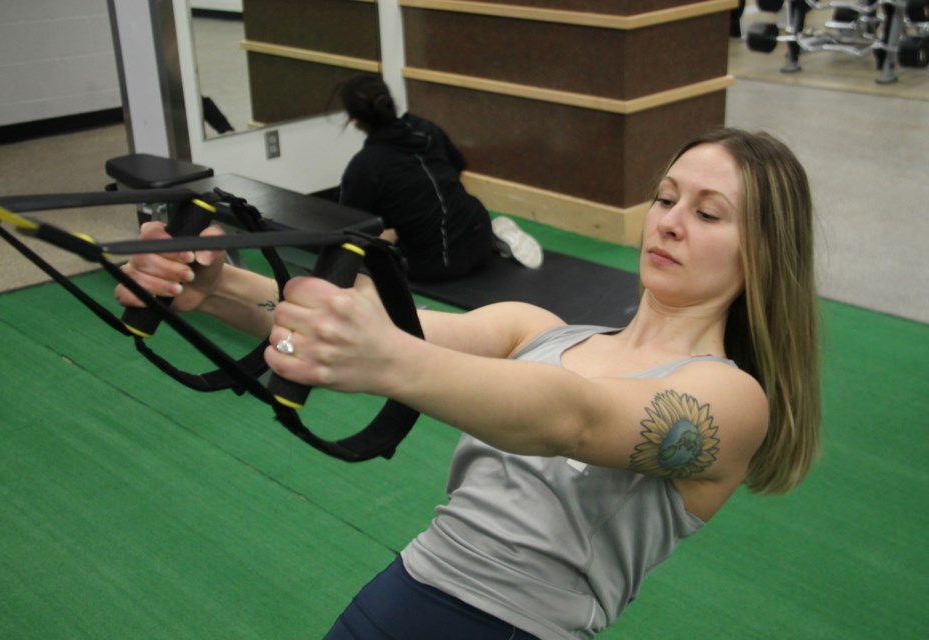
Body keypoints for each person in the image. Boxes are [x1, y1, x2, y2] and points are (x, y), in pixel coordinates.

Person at [115, 127, 822, 639]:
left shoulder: (730, 402)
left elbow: (573, 418)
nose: (669, 223)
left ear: (762, 251)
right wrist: (213, 285)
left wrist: (390, 359)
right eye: (667, 199)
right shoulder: (534, 328)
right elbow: (388, 328)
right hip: (403, 590)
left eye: (705, 213)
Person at [337, 74, 542, 281]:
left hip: (434, 265)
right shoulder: (425, 128)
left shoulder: (363, 166)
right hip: (480, 237)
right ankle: (491, 235)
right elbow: (456, 171)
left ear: (355, 120)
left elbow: (348, 227)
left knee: (375, 248)